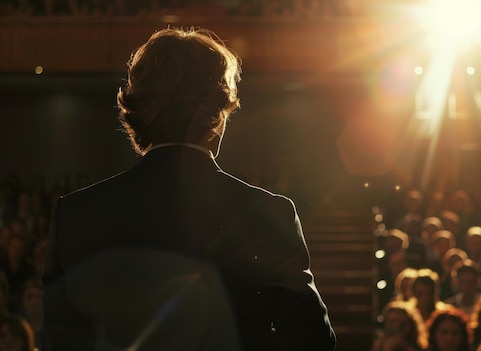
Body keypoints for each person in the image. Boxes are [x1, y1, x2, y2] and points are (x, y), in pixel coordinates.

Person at [41, 28, 335, 351]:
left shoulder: (77, 214)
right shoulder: (269, 213)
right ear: (217, 116)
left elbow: (60, 340)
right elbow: (313, 341)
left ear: (137, 113)